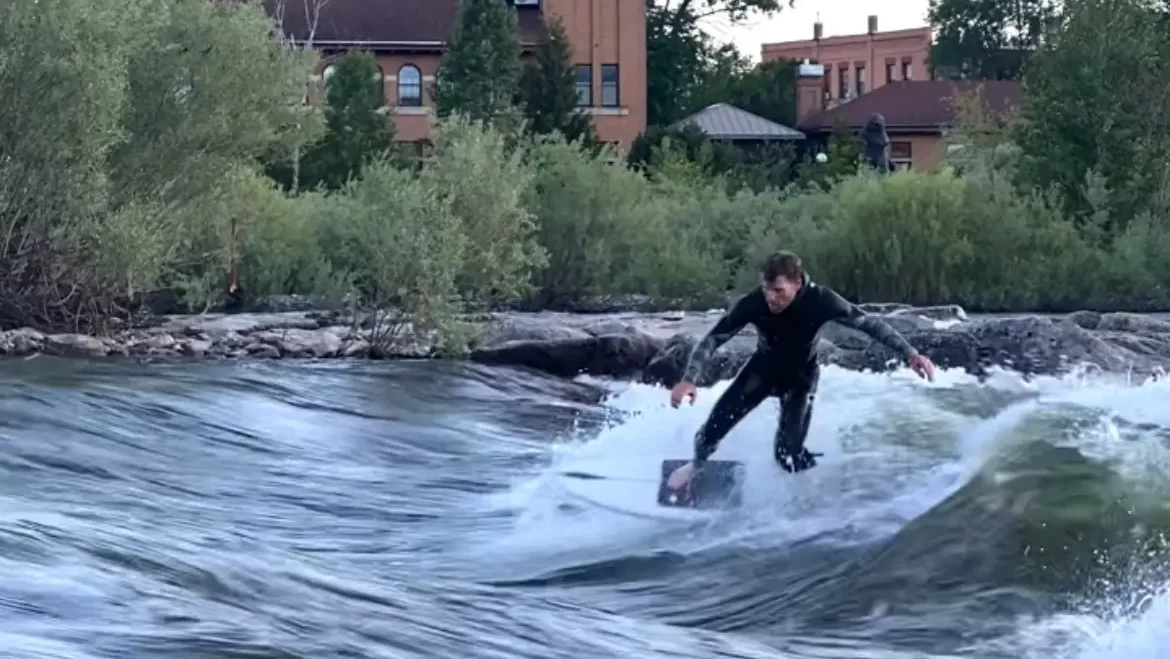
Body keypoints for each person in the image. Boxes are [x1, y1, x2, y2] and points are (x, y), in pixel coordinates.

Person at [665, 251, 936, 492]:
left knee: (787, 455)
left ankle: (811, 490)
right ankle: (697, 467)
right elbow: (713, 338)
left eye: (779, 291)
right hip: (761, 372)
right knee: (707, 434)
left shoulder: (822, 301)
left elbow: (871, 326)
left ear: (797, 284)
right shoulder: (754, 303)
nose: (771, 297)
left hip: (800, 380)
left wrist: (911, 354)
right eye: (766, 289)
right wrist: (689, 379)